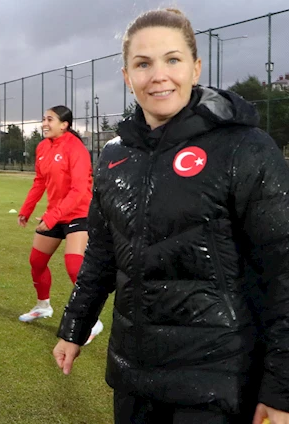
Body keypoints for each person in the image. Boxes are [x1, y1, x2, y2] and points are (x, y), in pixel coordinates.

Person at [52, 8, 289, 424]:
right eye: (143, 64)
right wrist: (75, 325)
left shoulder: (244, 148)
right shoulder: (113, 157)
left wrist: (282, 387)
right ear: (127, 76)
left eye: (173, 60)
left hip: (217, 381)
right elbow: (102, 255)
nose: (158, 75)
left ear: (195, 68)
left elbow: (284, 269)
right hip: (133, 376)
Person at [16, 105, 104, 343]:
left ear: (64, 124)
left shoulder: (76, 149)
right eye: (43, 119)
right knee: (37, 261)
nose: (44, 123)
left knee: (74, 266)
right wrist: (26, 209)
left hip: (79, 213)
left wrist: (52, 217)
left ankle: (93, 322)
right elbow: (39, 181)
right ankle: (43, 306)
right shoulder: (43, 147)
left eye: (50, 119)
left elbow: (78, 190)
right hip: (55, 213)